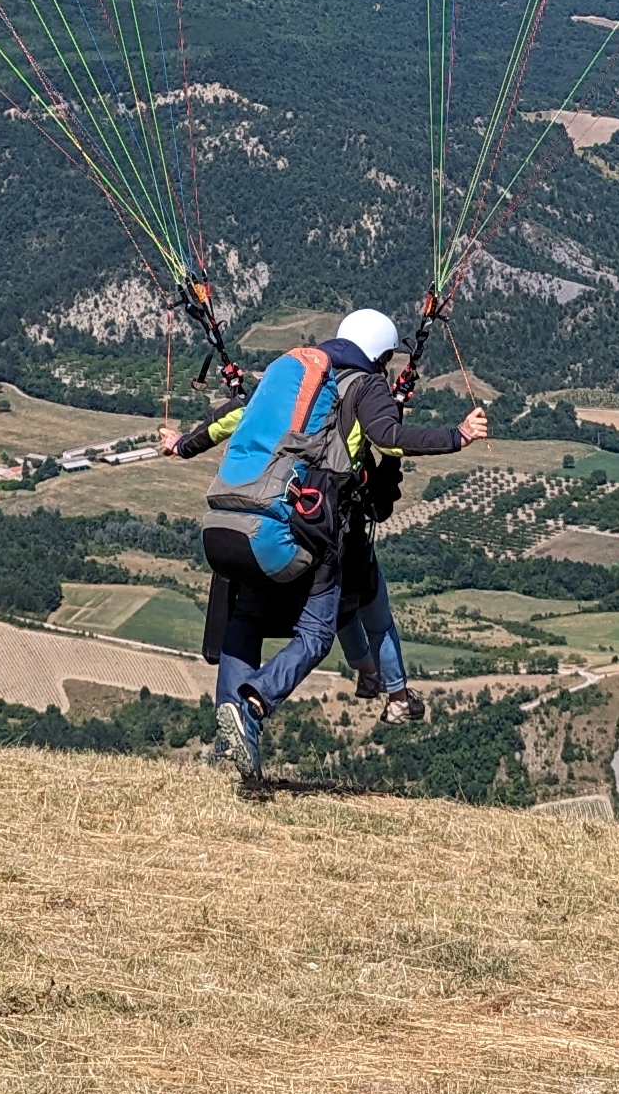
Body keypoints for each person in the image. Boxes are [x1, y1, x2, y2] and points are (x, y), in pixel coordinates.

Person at [163, 307, 486, 792]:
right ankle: (253, 704)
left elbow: (230, 417)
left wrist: (180, 446)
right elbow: (390, 439)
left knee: (244, 622)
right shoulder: (364, 383)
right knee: (317, 631)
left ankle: (228, 743)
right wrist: (457, 437)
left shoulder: (291, 377)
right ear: (378, 354)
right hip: (284, 534)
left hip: (223, 527)